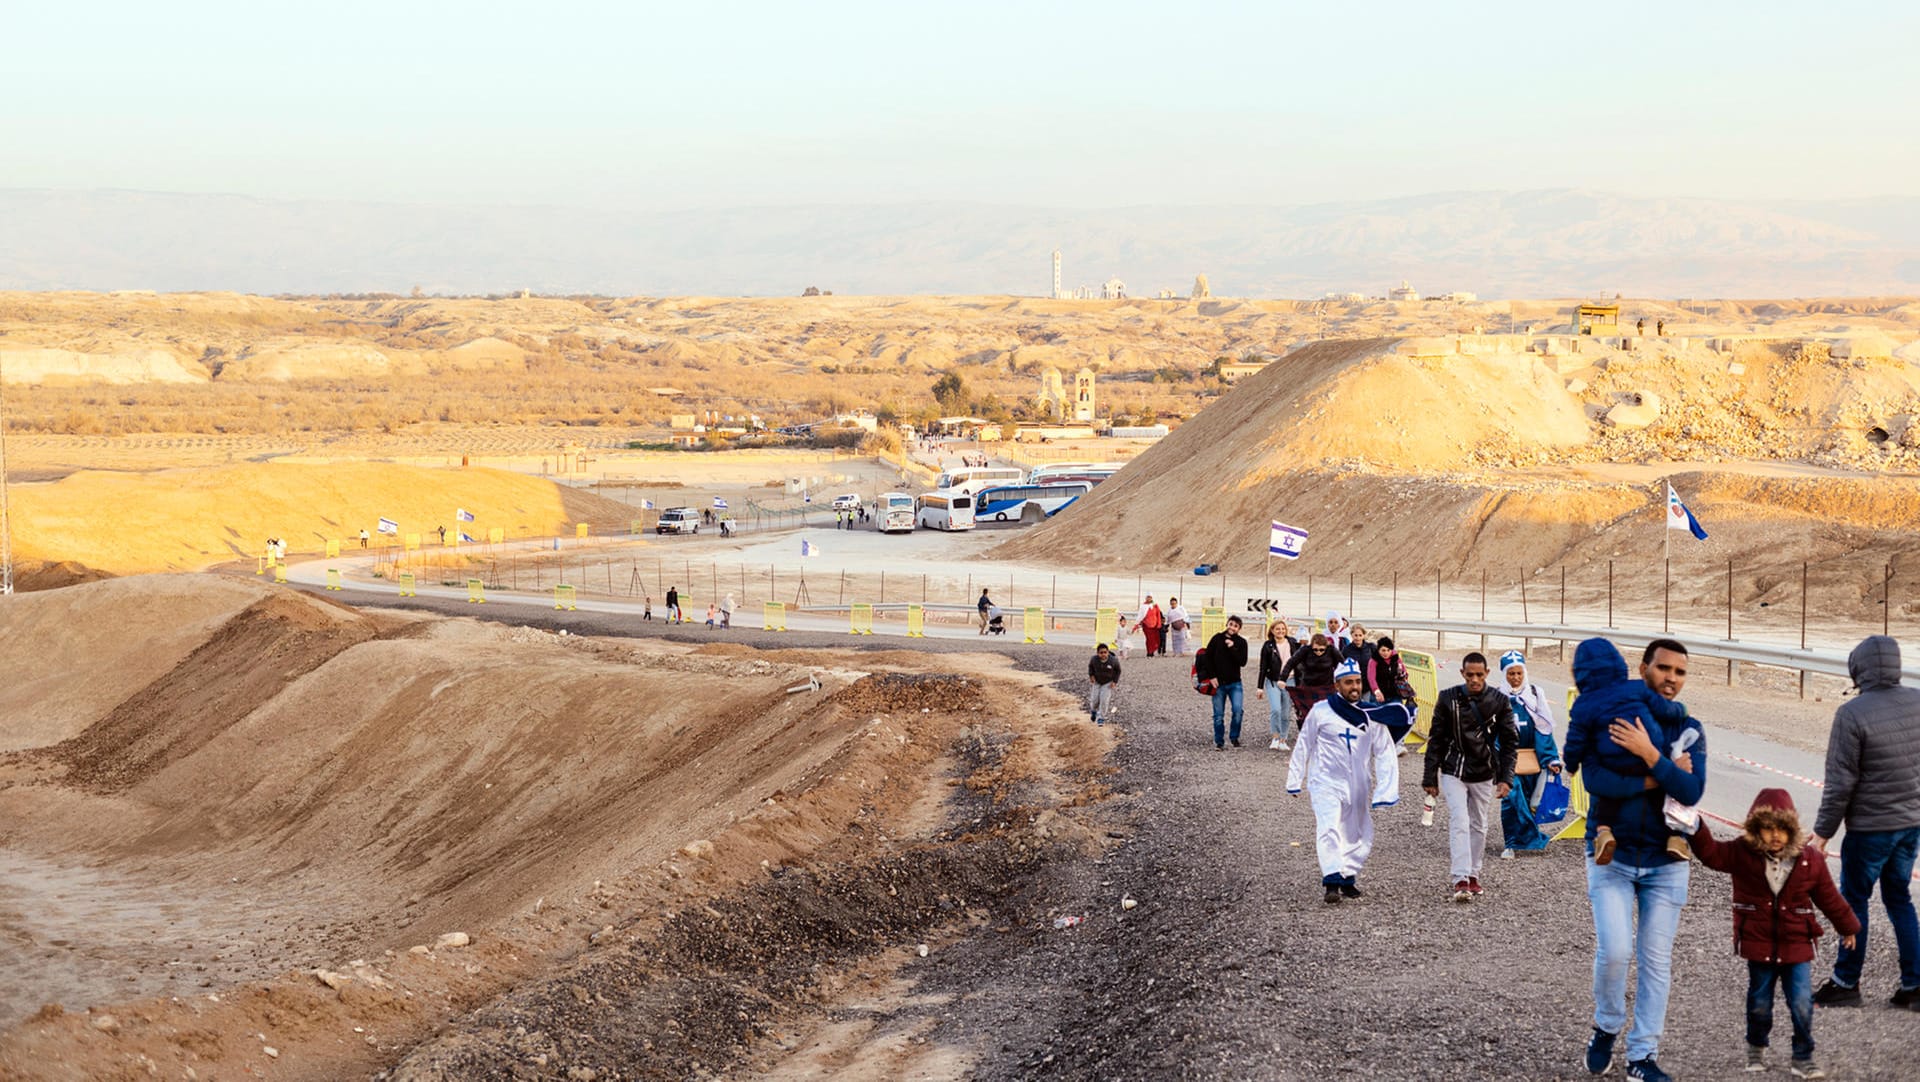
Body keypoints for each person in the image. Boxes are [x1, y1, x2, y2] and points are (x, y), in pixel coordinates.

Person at [1566, 637, 1706, 1082]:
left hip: (1668, 863)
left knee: (1655, 961)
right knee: (1615, 951)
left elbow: (1691, 791)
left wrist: (1649, 755)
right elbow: (1595, 778)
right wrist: (1660, 775)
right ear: (1642, 668)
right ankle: (1607, 1026)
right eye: (1664, 669)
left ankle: (1642, 1057)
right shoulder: (1610, 713)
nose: (1671, 679)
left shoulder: (1690, 728)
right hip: (1612, 858)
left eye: (1680, 672)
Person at [1692, 789, 1858, 1078]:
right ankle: (1756, 1046)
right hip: (1758, 944)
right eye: (1768, 828)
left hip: (1797, 945)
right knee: (1759, 1003)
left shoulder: (1810, 860)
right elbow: (1711, 854)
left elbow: (1829, 897)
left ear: (1791, 830)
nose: (1775, 835)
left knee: (1802, 1003)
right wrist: (1693, 826)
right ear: (1756, 828)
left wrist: (1848, 927)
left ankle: (1803, 1056)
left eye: (1782, 828)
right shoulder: (1742, 853)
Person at [1809, 634, 1920, 1010]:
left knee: (1854, 900)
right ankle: (1914, 987)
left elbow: (1841, 783)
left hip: (1870, 829)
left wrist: (1823, 833)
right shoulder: (1918, 700)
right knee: (1899, 898)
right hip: (1910, 825)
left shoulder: (1852, 714)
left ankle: (1846, 981)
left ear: (1859, 669)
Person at [1286, 659, 1414, 903]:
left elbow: (1385, 751)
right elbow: (1304, 744)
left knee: (1358, 834)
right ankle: (1331, 879)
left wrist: (1385, 790)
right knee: (1329, 827)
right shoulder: (1321, 711)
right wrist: (1295, 779)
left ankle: (1347, 876)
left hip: (1358, 783)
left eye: (1357, 682)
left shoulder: (1371, 715)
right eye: (1348, 683)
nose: (1354, 687)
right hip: (1325, 781)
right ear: (1337, 685)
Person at [1568, 641, 1697, 865]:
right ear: (1619, 664)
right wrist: (1681, 710)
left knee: (1609, 797)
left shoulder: (1583, 705)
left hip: (1614, 760)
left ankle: (1605, 831)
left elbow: (1575, 740)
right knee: (1663, 792)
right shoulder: (1636, 688)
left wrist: (1570, 764)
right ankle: (1675, 836)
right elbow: (1662, 708)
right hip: (1650, 750)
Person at [1424, 653, 1518, 903]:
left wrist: (1505, 778)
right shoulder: (1448, 698)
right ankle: (1460, 878)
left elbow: (1509, 742)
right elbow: (1437, 740)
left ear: (1487, 673)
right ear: (1462, 674)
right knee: (1459, 820)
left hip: (1484, 773)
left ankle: (1474, 874)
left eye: (1479, 674)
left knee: (1479, 824)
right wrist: (1430, 778)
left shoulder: (1499, 701)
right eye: (1470, 675)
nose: (1475, 679)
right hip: (1453, 770)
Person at [1496, 651, 1564, 858]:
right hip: (1508, 759)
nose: (1515, 678)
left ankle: (1526, 838)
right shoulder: (1497, 697)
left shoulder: (1535, 694)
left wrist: (1550, 758)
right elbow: (1493, 732)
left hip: (1533, 758)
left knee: (1531, 800)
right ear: (1504, 674)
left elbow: (1543, 728)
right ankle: (1513, 842)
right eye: (1511, 674)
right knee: (1512, 798)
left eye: (1519, 673)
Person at [1202, 616, 1249, 749]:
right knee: (1218, 715)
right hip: (1218, 683)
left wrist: (1233, 648)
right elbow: (1207, 658)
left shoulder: (1241, 642)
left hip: (1235, 683)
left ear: (1239, 629)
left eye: (1236, 626)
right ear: (1227, 624)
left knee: (1238, 711)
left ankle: (1234, 737)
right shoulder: (1217, 639)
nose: (1232, 627)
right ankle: (1219, 741)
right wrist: (1212, 677)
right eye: (1231, 624)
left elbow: (1243, 662)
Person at [1256, 619, 1300, 750]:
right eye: (1277, 629)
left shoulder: (1292, 643)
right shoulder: (1268, 646)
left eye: (1283, 629)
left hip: (1290, 681)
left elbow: (1301, 659)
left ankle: (1283, 739)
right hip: (1273, 681)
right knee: (1276, 709)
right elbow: (1263, 667)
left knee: (1286, 713)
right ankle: (1275, 737)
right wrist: (1259, 687)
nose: (1280, 631)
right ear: (1272, 631)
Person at [1280, 633, 1340, 727]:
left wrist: (1341, 682)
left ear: (1326, 646)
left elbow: (1342, 665)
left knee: (1327, 714)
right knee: (1306, 714)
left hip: (1326, 687)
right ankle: (1305, 734)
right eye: (1315, 649)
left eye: (1321, 650)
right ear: (1311, 646)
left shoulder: (1332, 650)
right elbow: (1291, 663)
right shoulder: (1305, 650)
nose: (1318, 652)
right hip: (1308, 686)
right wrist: (1282, 679)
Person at [1087, 643, 1121, 726]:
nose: (1103, 654)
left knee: (1104, 700)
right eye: (1101, 653)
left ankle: (1101, 718)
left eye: (1105, 652)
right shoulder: (1094, 659)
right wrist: (1091, 675)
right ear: (1097, 653)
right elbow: (1090, 667)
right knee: (1095, 700)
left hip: (1108, 683)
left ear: (1108, 652)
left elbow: (1118, 671)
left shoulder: (1113, 661)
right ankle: (1094, 711)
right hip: (1097, 682)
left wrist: (1114, 681)